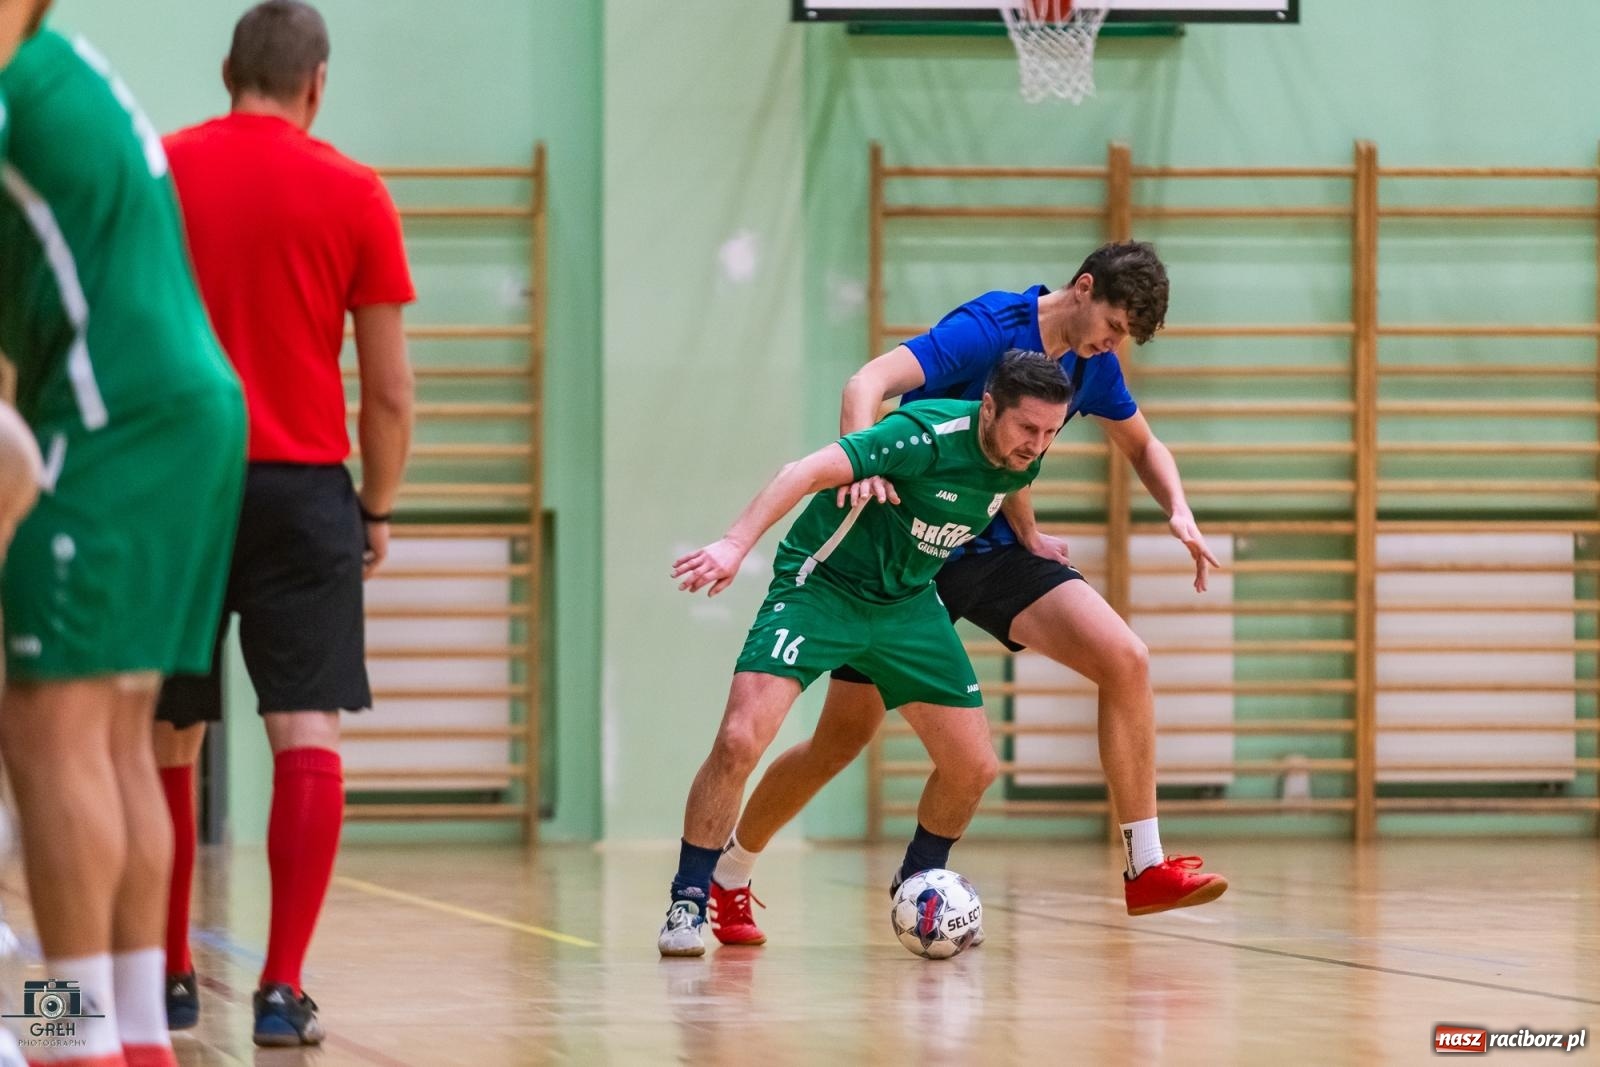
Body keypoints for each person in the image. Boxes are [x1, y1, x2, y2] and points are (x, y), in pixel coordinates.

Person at [706, 242, 1229, 948]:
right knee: (838, 743)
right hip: (905, 558)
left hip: (993, 550)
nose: (1115, 344)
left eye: (1125, 337)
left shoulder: (1093, 366)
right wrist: (861, 469)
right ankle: (730, 870)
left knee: (1126, 658)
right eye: (1114, 324)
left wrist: (1178, 509)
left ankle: (1142, 866)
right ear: (1082, 288)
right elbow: (868, 380)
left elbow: (1141, 446)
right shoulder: (987, 328)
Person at [151, 0, 415, 1047]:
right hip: (303, 486)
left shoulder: (160, 170)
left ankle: (165, 977)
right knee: (304, 730)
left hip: (176, 479)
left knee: (166, 733)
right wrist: (377, 506)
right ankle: (278, 987)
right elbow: (388, 393)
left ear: (226, 70)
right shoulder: (353, 191)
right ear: (317, 84)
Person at [0, 5, 248, 1065]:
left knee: (49, 733)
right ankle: (138, 1036)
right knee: (119, 742)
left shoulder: (18, 89)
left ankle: (70, 1041)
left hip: (114, 417)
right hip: (188, 410)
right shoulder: (64, 72)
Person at [662, 352, 1073, 957]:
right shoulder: (920, 436)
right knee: (740, 740)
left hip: (907, 606)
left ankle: (919, 883)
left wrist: (1031, 538)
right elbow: (800, 471)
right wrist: (733, 543)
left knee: (974, 768)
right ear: (989, 408)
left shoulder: (1020, 455)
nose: (1036, 445)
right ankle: (690, 897)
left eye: (1050, 433)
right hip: (822, 589)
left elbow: (1013, 486)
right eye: (1026, 429)